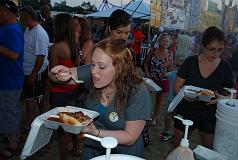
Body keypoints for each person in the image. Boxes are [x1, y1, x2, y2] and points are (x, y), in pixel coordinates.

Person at [49, 38, 152, 159]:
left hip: (123, 153)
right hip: (93, 149)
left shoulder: (137, 91)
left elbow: (130, 137)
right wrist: (56, 72)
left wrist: (96, 133)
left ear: (120, 68)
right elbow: (56, 77)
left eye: (101, 67)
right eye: (92, 64)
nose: (93, 71)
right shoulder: (94, 73)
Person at [173, 27, 234, 150]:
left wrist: (221, 99)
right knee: (178, 146)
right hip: (186, 108)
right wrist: (186, 96)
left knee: (208, 149)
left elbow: (231, 94)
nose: (215, 54)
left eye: (219, 50)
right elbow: (177, 87)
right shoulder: (190, 62)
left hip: (210, 112)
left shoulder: (225, 67)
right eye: (211, 49)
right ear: (203, 46)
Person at [48, 13, 80, 159]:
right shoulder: (74, 44)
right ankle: (77, 148)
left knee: (61, 128)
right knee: (72, 122)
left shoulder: (56, 47)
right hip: (73, 90)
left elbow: (53, 75)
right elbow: (77, 66)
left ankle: (63, 158)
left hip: (59, 92)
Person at [0, 0, 24, 158]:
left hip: (10, 80)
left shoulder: (13, 29)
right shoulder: (8, 28)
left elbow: (14, 54)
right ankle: (13, 137)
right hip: (7, 78)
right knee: (10, 110)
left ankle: (13, 145)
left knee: (8, 111)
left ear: (6, 12)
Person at [19, 5, 49, 130]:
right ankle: (36, 120)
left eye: (21, 17)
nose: (20, 19)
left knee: (34, 97)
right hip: (27, 70)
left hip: (36, 72)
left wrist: (33, 74)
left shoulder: (39, 32)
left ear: (28, 17)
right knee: (31, 97)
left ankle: (32, 122)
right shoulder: (28, 29)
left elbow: (41, 56)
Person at [144, 33, 171, 126]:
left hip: (163, 80)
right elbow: (146, 64)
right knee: (146, 98)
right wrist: (147, 74)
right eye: (164, 41)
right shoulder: (153, 50)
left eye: (167, 41)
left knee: (159, 101)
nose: (166, 43)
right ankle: (145, 115)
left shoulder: (170, 54)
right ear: (159, 41)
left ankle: (154, 119)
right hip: (152, 79)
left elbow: (169, 71)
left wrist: (165, 67)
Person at [160, 58, 184, 141]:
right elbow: (163, 75)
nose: (180, 68)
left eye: (182, 66)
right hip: (171, 100)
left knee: (178, 118)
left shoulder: (186, 77)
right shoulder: (172, 74)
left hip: (181, 101)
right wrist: (165, 67)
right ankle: (166, 131)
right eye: (178, 65)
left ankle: (176, 134)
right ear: (175, 66)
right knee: (167, 116)